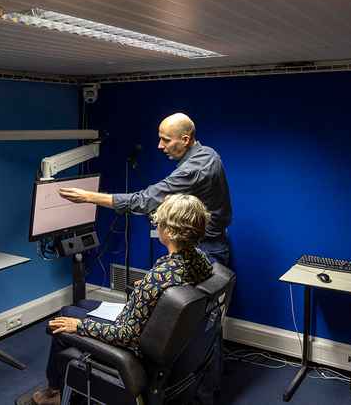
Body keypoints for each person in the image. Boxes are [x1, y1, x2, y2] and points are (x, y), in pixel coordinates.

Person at [31, 194, 214, 405]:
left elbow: (125, 335)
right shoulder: (200, 258)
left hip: (132, 342)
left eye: (160, 221)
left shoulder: (158, 279)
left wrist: (79, 326)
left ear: (170, 231)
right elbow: (176, 281)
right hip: (162, 330)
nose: (157, 224)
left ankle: (55, 392)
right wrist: (149, 288)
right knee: (81, 305)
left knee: (64, 318)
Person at [59, 112, 233, 266]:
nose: (160, 145)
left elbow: (145, 200)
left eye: (166, 140)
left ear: (186, 140)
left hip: (206, 249)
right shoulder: (208, 153)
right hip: (214, 243)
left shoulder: (193, 170)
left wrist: (88, 197)